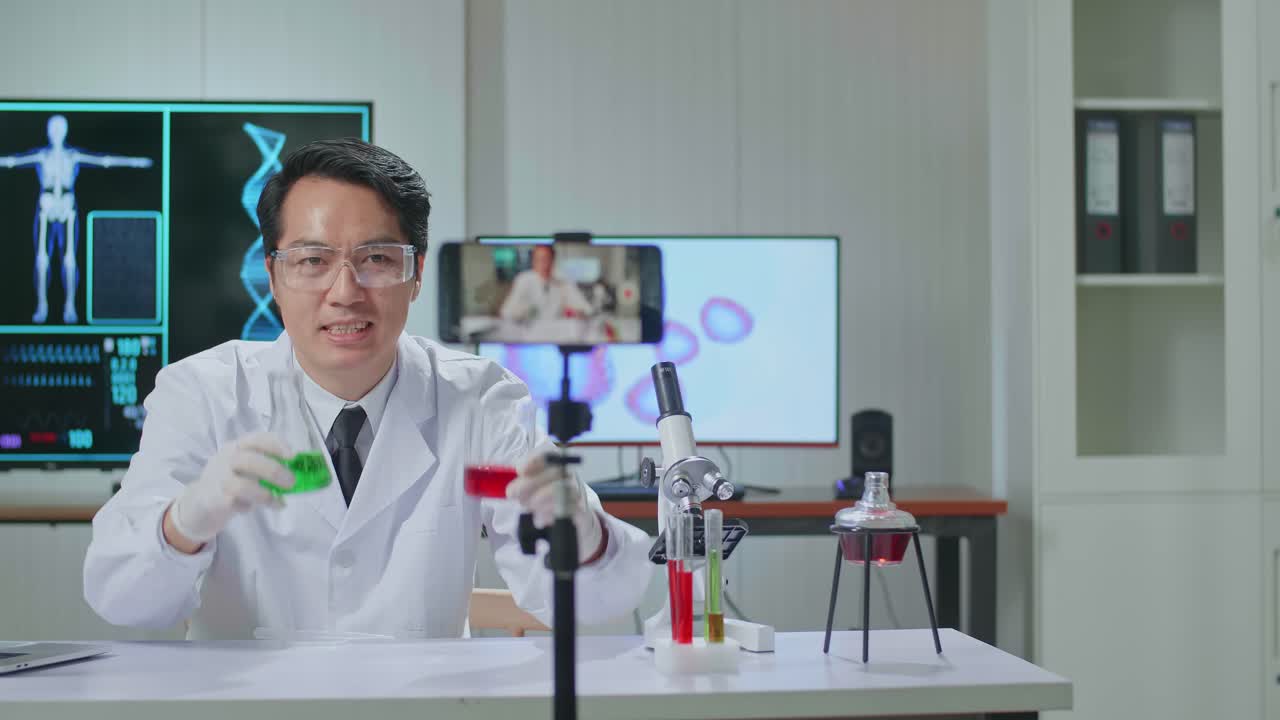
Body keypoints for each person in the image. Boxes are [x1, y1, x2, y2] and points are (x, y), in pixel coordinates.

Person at [82, 139, 651, 639]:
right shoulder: (201, 394)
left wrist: (581, 531)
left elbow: (587, 600)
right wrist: (187, 520)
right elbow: (122, 599)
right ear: (274, 274)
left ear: (418, 272)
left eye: (377, 258)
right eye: (312, 259)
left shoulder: (480, 400)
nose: (345, 291)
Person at [498, 244, 593, 326]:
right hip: (529, 332)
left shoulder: (564, 281)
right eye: (538, 259)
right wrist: (523, 311)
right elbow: (507, 312)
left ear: (553, 260)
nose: (542, 264)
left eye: (546, 259)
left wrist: (576, 312)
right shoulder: (524, 280)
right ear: (533, 261)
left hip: (557, 332)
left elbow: (586, 309)